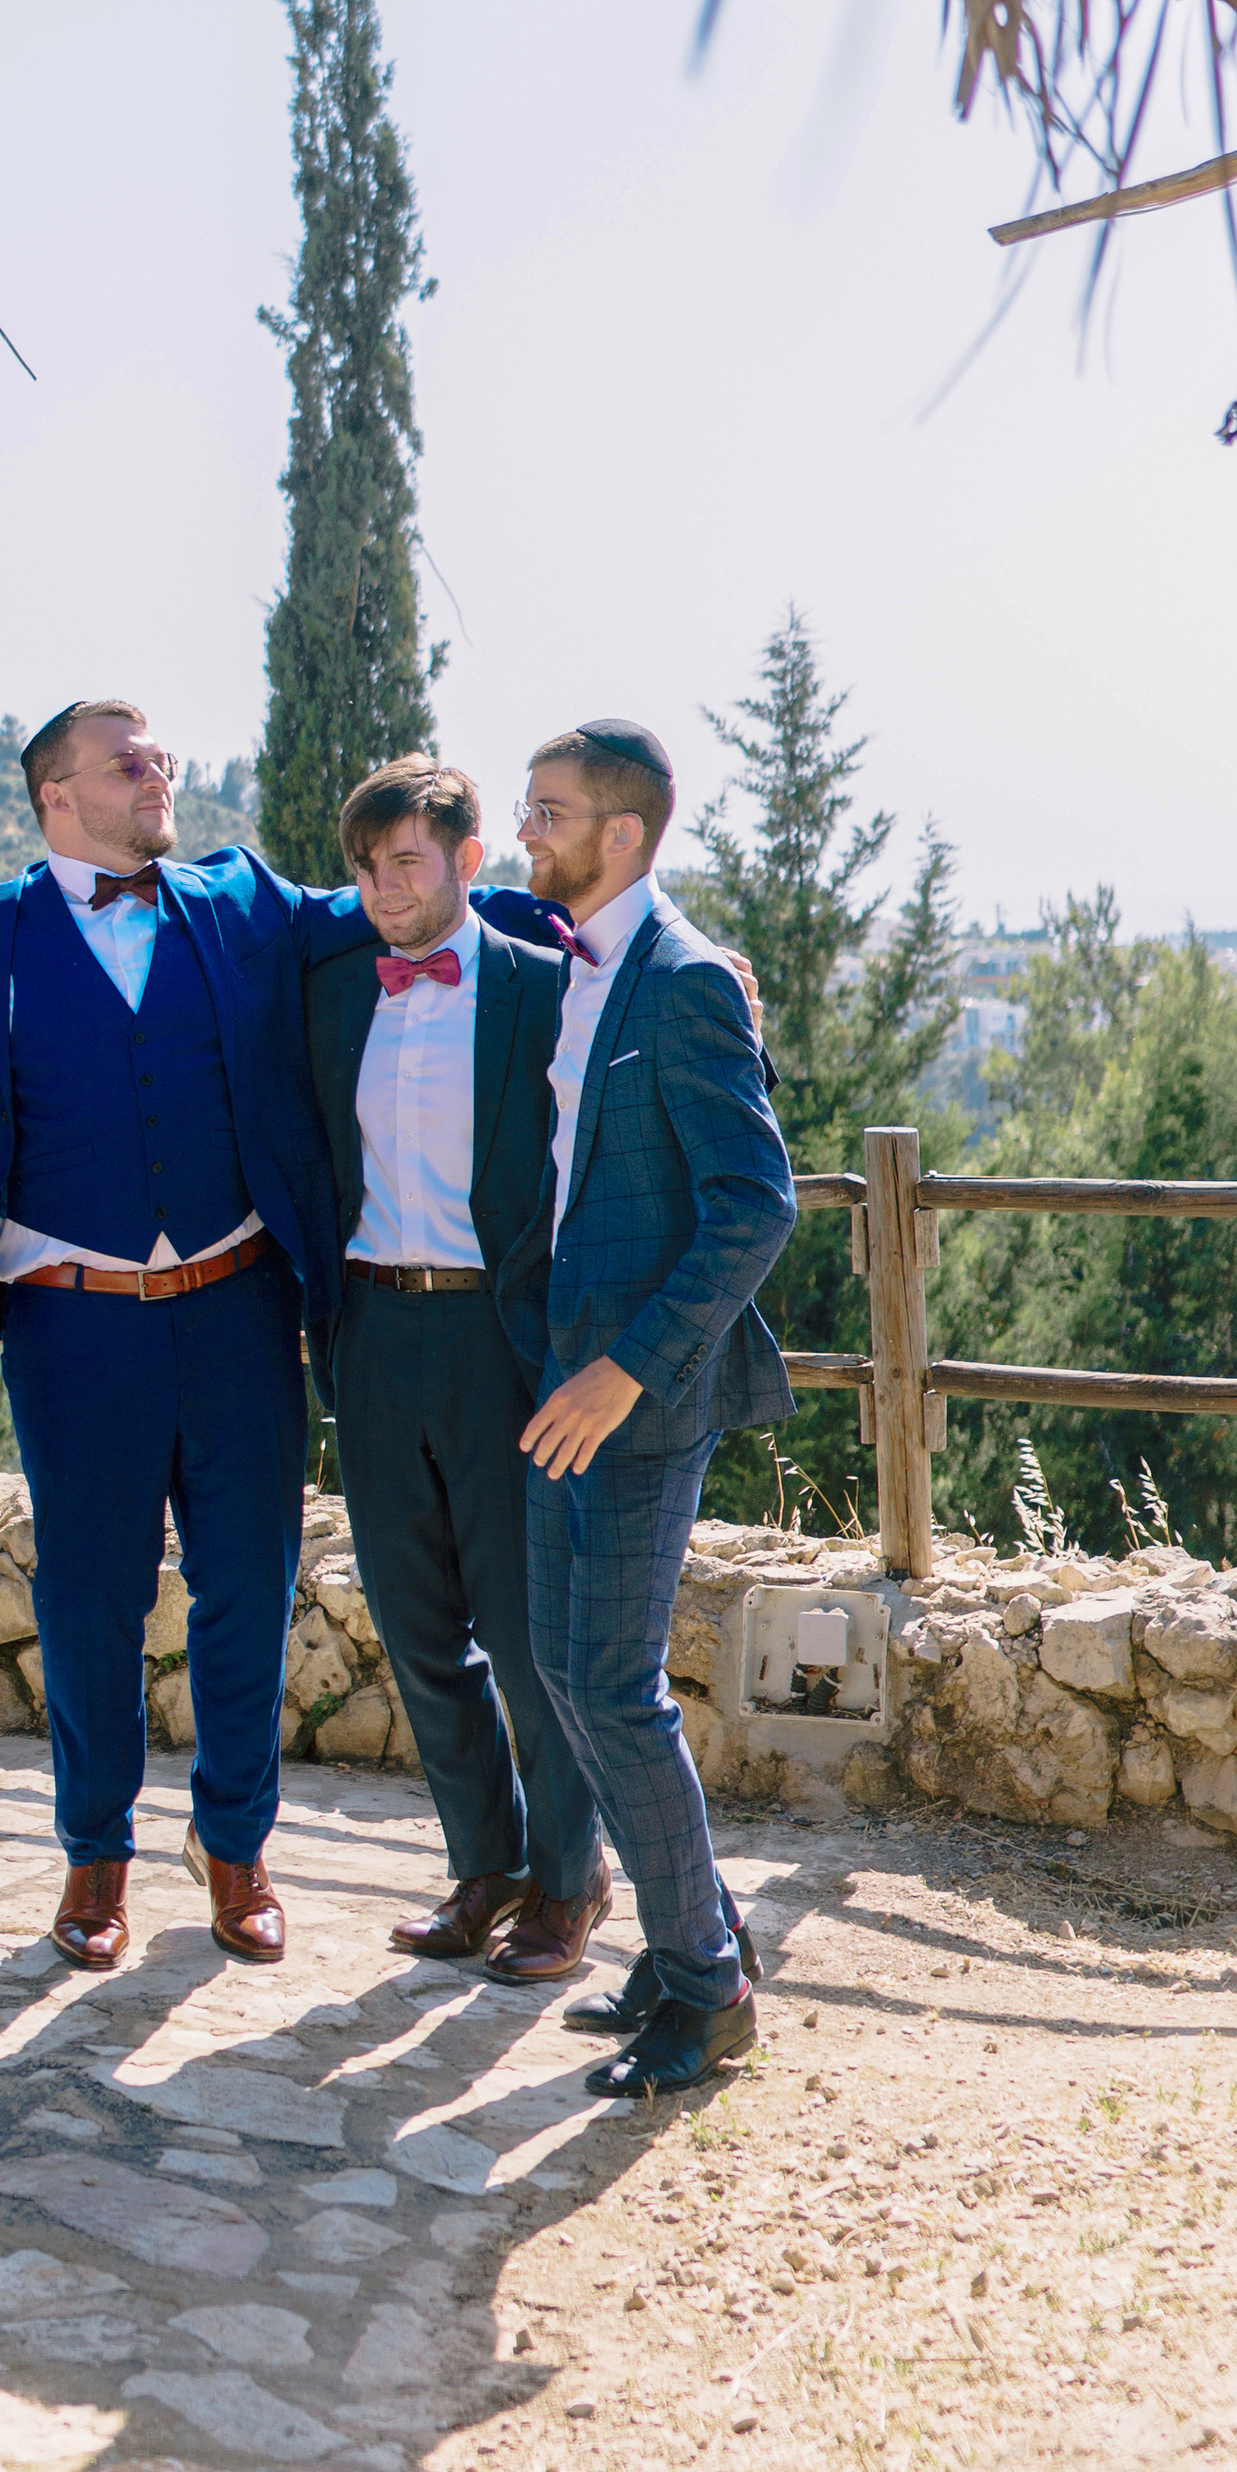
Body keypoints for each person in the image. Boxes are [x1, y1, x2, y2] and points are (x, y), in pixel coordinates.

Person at [0, 700, 344, 1974]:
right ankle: (94, 1859)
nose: (159, 777)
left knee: (248, 1582)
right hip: (70, 1327)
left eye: (163, 760)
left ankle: (237, 1851)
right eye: (128, 763)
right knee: (90, 1598)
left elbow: (399, 917)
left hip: (240, 1303)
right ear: (55, 796)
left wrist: (562, 933)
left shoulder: (241, 900)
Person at [511, 717, 797, 2104]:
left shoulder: (682, 979)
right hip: (557, 1380)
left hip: (636, 1387)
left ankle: (707, 1988)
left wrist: (628, 1368)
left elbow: (757, 1203)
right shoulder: (569, 955)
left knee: (609, 1681)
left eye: (550, 813)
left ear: (624, 835)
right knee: (566, 1670)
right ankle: (697, 1929)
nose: (528, 833)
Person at [304, 756, 612, 1981]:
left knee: (529, 1633)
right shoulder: (333, 994)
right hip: (372, 1332)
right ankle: (480, 1866)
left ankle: (565, 1878)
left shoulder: (550, 988)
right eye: (367, 868)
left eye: (408, 863)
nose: (384, 889)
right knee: (418, 1628)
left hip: (502, 1338)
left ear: (468, 862)